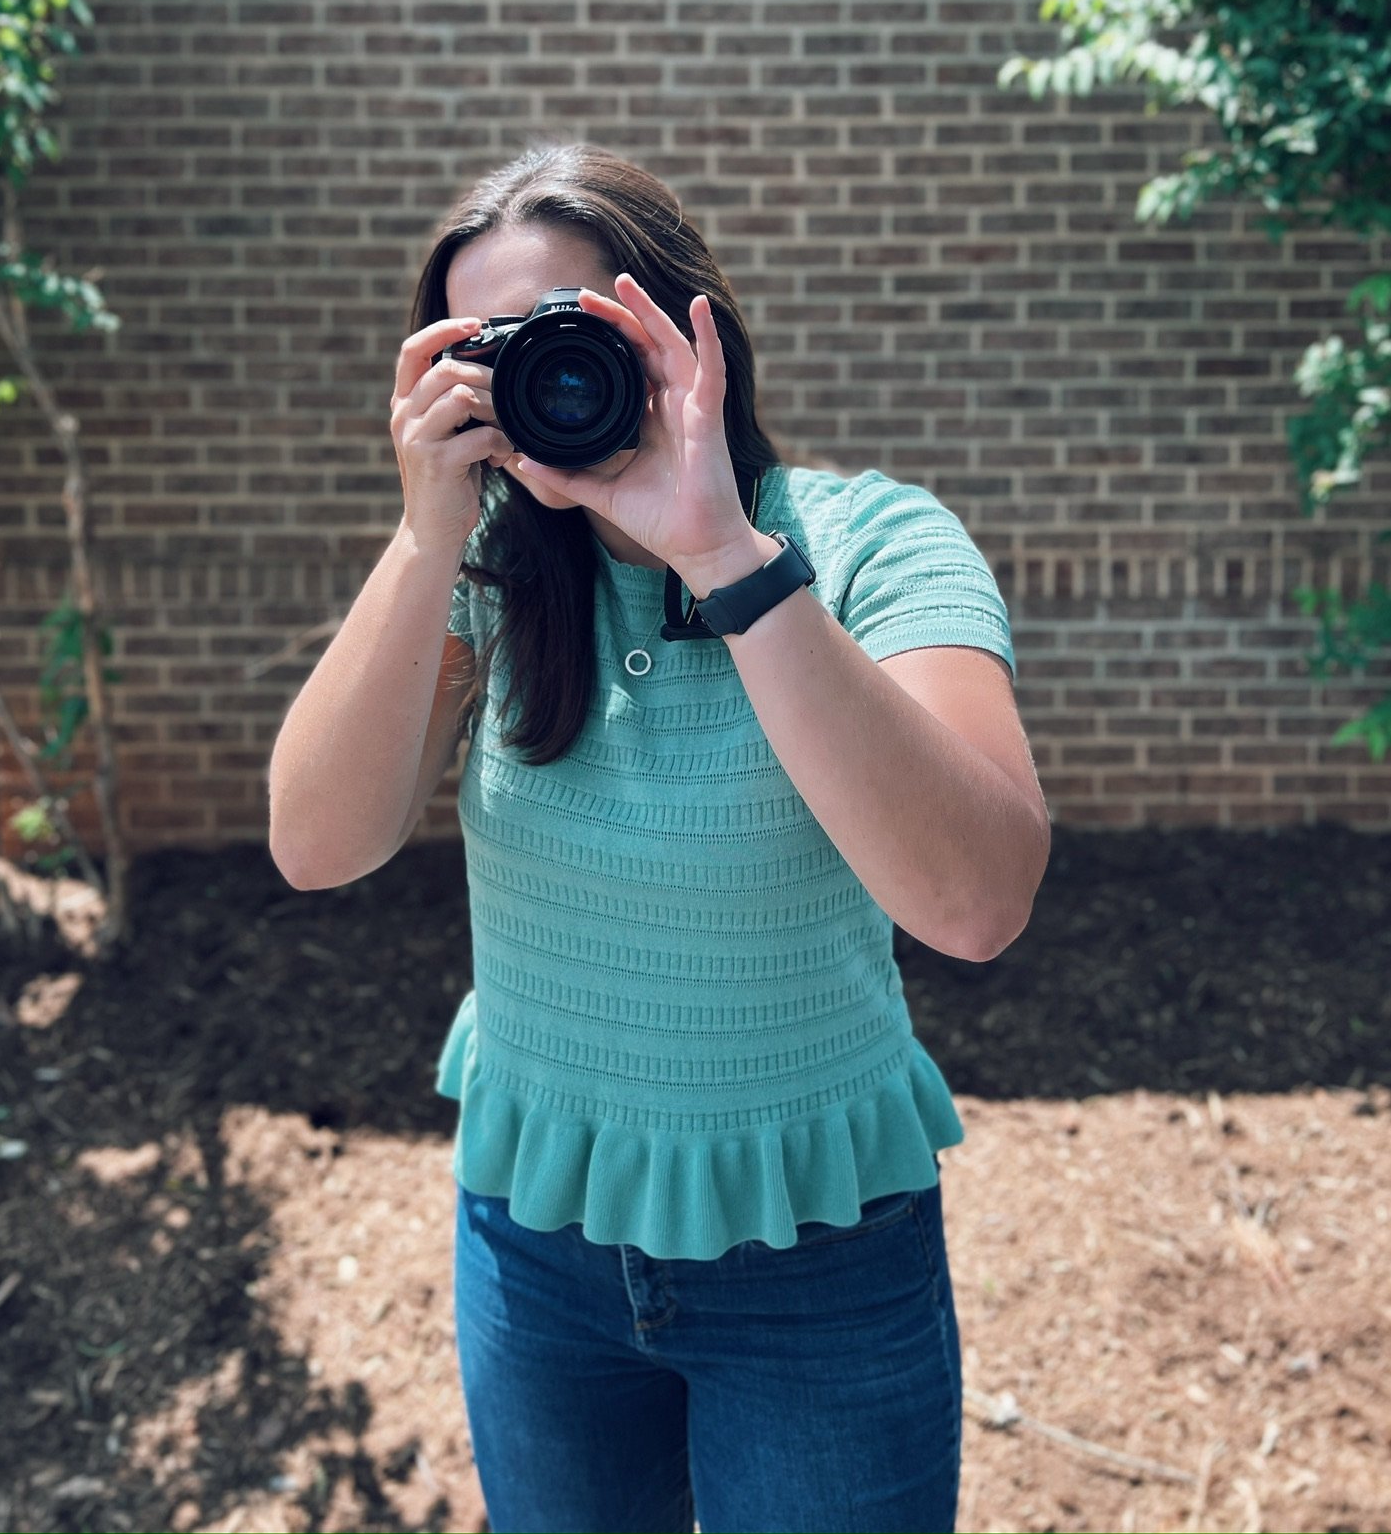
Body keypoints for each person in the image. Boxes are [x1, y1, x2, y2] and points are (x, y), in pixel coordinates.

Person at [268, 141, 1050, 1534]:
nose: (546, 378)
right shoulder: (487, 566)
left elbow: (977, 900)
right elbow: (317, 843)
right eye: (490, 348)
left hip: (816, 1259)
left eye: (576, 331)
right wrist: (424, 531)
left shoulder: (871, 542)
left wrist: (721, 557)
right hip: (535, 1247)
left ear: (689, 327)